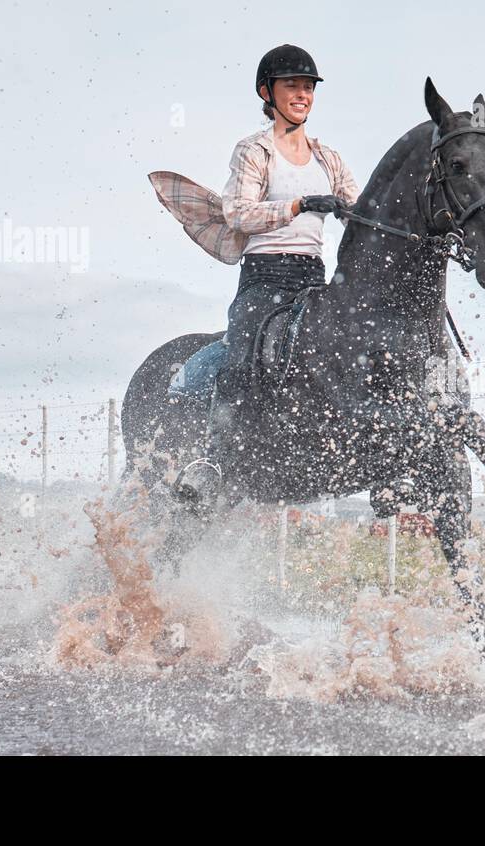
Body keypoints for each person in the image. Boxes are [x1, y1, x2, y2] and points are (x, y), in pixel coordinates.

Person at [174, 44, 360, 510]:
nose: (301, 94)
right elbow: (237, 214)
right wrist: (298, 205)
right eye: (291, 85)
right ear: (267, 92)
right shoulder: (253, 150)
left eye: (307, 87)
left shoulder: (328, 158)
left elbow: (360, 211)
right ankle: (213, 460)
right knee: (243, 351)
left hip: (313, 280)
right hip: (264, 278)